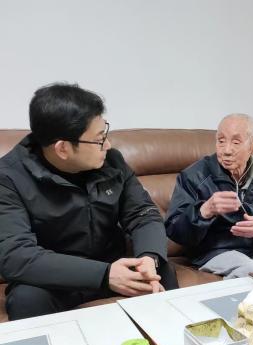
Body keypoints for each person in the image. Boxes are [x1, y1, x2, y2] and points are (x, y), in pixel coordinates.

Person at [0, 83, 177, 320]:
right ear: (62, 149)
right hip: (59, 278)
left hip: (115, 263)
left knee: (160, 269)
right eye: (98, 139)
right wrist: (104, 274)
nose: (108, 145)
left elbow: (142, 213)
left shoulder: (112, 161)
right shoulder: (8, 178)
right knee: (26, 299)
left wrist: (149, 257)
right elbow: (16, 255)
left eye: (105, 134)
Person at [165, 113, 253, 279]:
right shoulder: (193, 176)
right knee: (250, 270)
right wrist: (204, 211)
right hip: (215, 251)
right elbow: (174, 229)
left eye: (236, 142)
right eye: (221, 141)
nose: (226, 150)